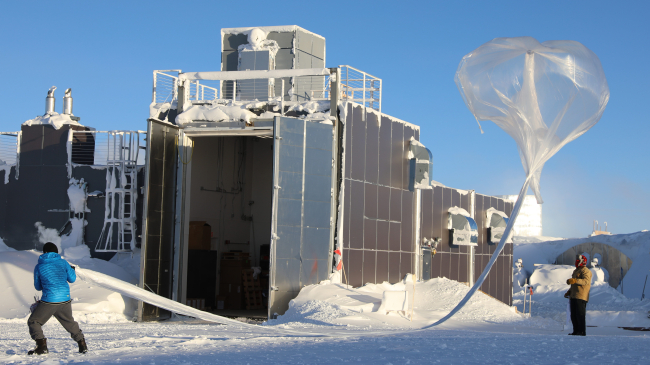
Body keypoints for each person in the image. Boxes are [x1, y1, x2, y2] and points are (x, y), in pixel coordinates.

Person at [27, 242, 88, 355]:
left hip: (49, 300)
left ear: (44, 252)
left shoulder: (39, 266)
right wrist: (71, 270)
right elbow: (72, 279)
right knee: (69, 322)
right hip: (65, 299)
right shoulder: (64, 263)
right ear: (56, 252)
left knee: (34, 321)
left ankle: (41, 347)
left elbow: (38, 286)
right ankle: (82, 344)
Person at [564, 254, 592, 336]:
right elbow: (574, 284)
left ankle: (581, 331)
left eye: (577, 261)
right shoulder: (576, 271)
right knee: (573, 315)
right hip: (574, 296)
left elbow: (585, 281)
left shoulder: (586, 271)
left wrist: (575, 280)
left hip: (581, 296)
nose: (576, 262)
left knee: (580, 315)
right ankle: (576, 331)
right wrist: (569, 291)